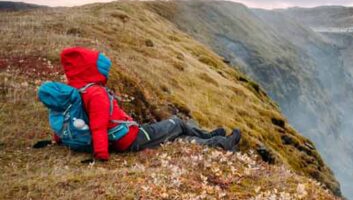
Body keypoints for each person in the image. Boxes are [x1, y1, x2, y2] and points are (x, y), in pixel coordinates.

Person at [56, 46, 241, 161]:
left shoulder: (74, 91)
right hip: (129, 139)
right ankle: (215, 139)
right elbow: (98, 125)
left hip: (121, 139)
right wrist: (101, 154)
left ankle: (217, 142)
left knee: (175, 139)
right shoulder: (95, 93)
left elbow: (63, 117)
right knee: (176, 123)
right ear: (91, 69)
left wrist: (59, 138)